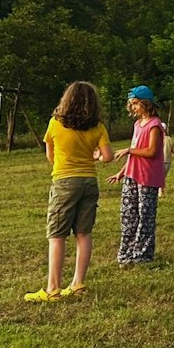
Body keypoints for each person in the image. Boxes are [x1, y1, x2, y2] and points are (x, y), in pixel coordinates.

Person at [24, 81, 113, 301]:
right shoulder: (98, 127)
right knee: (84, 234)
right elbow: (108, 157)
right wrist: (96, 157)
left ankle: (53, 288)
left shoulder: (55, 123)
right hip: (89, 182)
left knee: (57, 235)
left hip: (64, 182)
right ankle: (78, 284)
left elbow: (50, 156)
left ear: (67, 99)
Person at [108, 85, 166, 266]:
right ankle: (126, 254)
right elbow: (135, 154)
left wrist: (128, 150)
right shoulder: (137, 125)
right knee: (128, 215)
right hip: (132, 176)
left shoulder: (154, 125)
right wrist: (122, 172)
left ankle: (142, 255)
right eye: (131, 104)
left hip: (147, 178)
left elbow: (151, 151)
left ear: (146, 103)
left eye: (135, 103)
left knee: (145, 217)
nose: (132, 107)